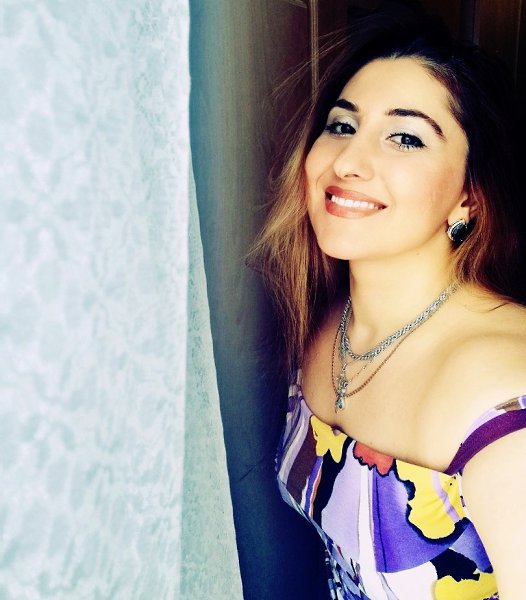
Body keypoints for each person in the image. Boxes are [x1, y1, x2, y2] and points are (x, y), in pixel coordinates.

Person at [251, 9, 526, 600]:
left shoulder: (506, 394)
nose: (348, 162)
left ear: (469, 197)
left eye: (405, 137)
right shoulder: (326, 321)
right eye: (342, 125)